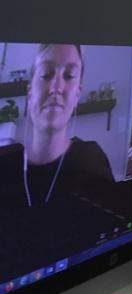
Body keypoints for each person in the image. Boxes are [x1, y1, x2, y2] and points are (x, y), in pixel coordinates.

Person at [0, 44, 114, 208]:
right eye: (46, 75)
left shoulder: (91, 160)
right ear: (30, 92)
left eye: (69, 75)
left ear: (77, 95)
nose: (56, 88)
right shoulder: (4, 168)